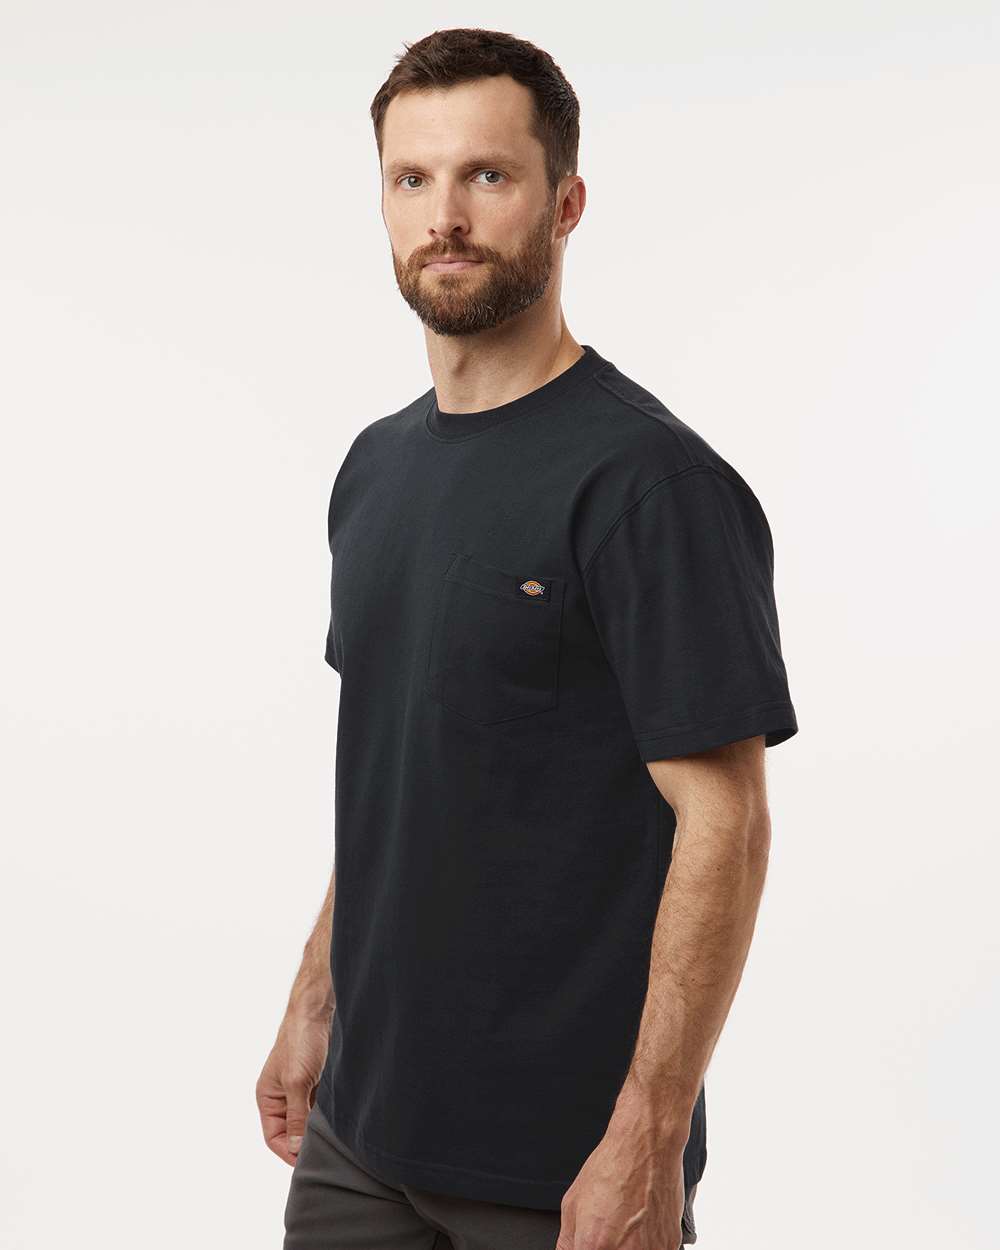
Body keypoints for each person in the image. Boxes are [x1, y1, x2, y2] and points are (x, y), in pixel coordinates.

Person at [257, 26, 799, 1250]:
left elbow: (726, 825)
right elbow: (405, 773)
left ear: (565, 203)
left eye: (487, 176)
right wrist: (313, 996)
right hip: (359, 1137)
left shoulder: (650, 484)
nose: (444, 216)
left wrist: (648, 1135)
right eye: (412, 178)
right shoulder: (374, 469)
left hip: (560, 1168)